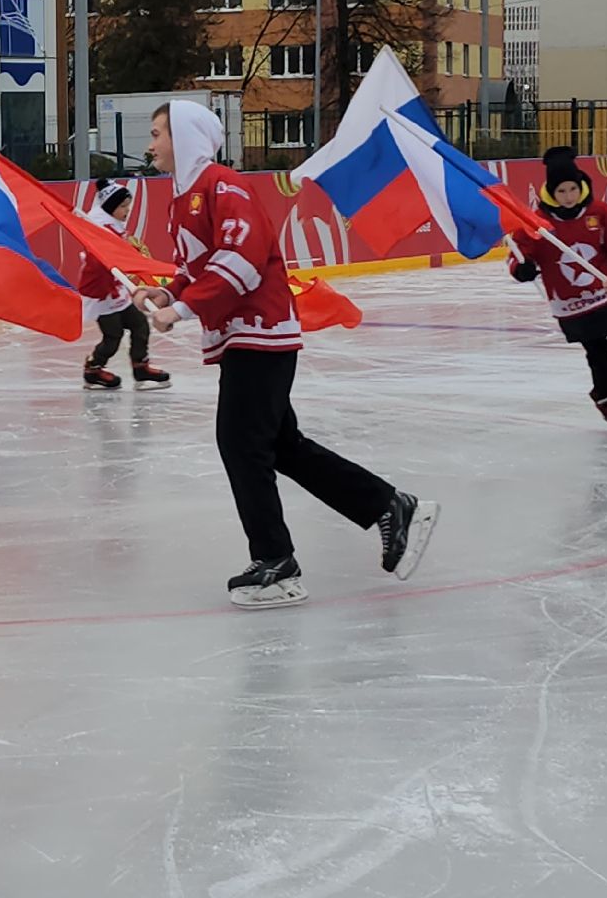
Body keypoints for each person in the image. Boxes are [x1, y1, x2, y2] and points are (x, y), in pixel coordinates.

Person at [129, 100, 438, 609]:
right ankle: (390, 506)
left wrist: (181, 310)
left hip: (261, 333)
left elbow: (242, 258)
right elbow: (201, 265)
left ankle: (277, 563)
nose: (151, 144)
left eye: (159, 132)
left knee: (241, 443)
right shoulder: (187, 197)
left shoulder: (222, 185)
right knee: (279, 445)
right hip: (244, 337)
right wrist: (168, 293)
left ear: (185, 138)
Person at [507, 147, 607, 438]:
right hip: (572, 306)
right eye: (562, 191)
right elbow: (518, 255)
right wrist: (523, 268)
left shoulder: (600, 212)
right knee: (600, 355)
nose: (568, 196)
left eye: (573, 188)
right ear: (550, 191)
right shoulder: (537, 223)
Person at [77, 179, 170, 391]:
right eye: (122, 207)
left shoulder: (114, 227)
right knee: (113, 335)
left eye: (128, 205)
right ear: (110, 208)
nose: (127, 210)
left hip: (117, 290)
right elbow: (97, 263)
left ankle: (140, 366)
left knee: (139, 325)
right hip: (102, 293)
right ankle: (93, 369)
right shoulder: (99, 230)